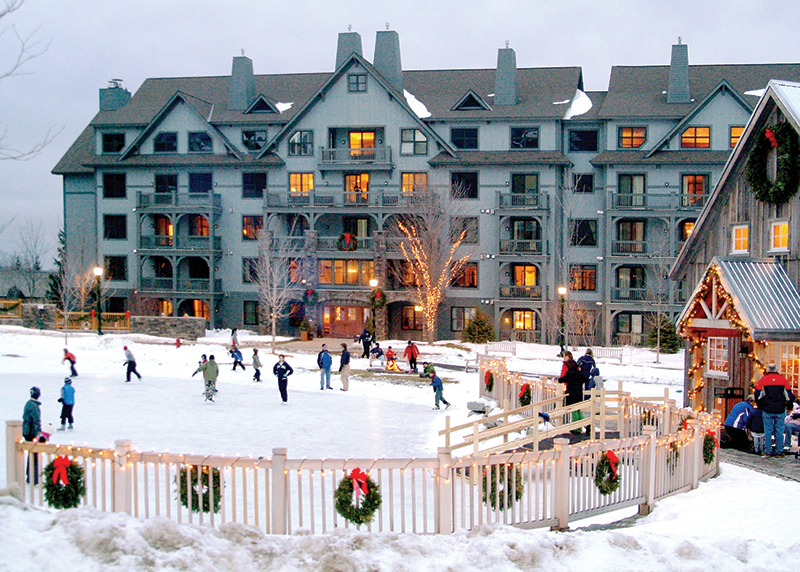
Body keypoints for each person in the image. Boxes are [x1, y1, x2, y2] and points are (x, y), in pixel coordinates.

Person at [754, 364, 795, 457]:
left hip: (767, 409)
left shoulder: (763, 380)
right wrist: (789, 406)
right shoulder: (783, 380)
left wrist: (760, 405)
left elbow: (757, 394)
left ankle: (768, 451)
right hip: (780, 409)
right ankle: (779, 451)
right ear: (776, 369)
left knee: (768, 431)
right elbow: (789, 396)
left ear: (768, 369)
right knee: (779, 431)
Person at [559, 358, 585, 433]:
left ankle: (576, 428)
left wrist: (559, 380)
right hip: (579, 394)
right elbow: (584, 379)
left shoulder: (570, 373)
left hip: (572, 394)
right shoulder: (579, 373)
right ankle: (586, 424)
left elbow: (562, 379)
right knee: (579, 411)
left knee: (574, 412)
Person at [23, 386, 42, 483]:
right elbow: (36, 421)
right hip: (32, 433)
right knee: (34, 455)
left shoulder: (28, 404)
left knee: (31, 455)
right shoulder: (34, 407)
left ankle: (29, 475)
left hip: (26, 432)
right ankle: (33, 477)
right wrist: (39, 435)